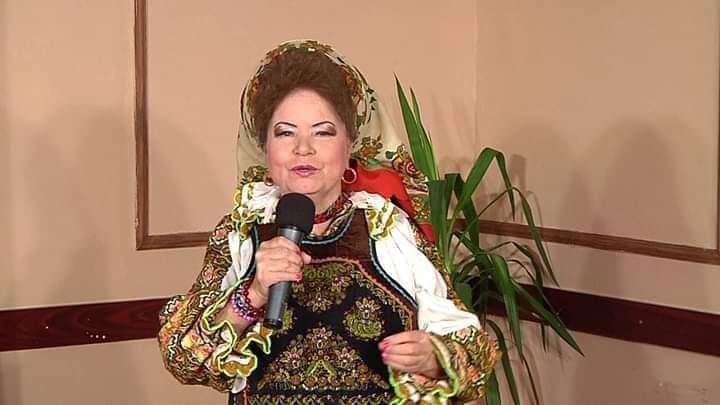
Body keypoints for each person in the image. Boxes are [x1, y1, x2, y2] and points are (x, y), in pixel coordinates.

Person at [158, 40, 499, 404]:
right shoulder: (239, 234)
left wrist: (434, 358)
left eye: (322, 132)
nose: (303, 148)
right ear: (264, 147)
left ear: (350, 144)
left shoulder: (390, 229)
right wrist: (253, 295)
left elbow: (477, 355)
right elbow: (182, 359)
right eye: (285, 132)